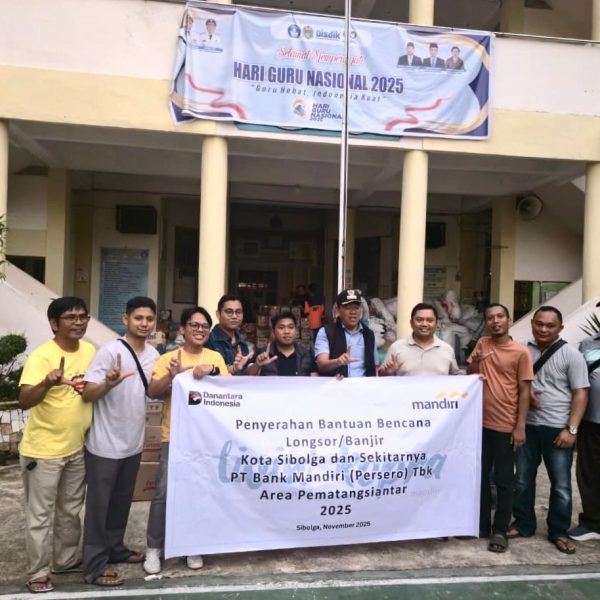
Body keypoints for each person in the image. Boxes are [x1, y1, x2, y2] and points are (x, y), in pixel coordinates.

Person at [18, 297, 96, 594]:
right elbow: (25, 400)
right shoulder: (42, 356)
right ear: (54, 323)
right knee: (40, 515)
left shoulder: (89, 351)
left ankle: (65, 560)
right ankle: (38, 572)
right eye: (70, 317)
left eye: (83, 316)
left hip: (76, 448)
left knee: (70, 510)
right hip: (43, 451)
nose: (79, 322)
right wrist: (47, 383)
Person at [143, 306, 229, 575]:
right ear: (183, 329)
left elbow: (229, 390)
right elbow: (153, 392)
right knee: (163, 493)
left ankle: (193, 544)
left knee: (199, 492)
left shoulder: (215, 356)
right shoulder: (167, 358)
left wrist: (213, 369)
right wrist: (174, 375)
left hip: (205, 438)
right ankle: (154, 548)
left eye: (204, 326)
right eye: (194, 325)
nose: (200, 330)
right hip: (173, 435)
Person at [81, 297, 160, 586]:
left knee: (121, 502)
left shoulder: (154, 354)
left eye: (149, 319)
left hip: (133, 442)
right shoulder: (108, 352)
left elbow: (153, 390)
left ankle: (115, 548)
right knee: (99, 507)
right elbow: (87, 393)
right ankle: (94, 566)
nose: (144, 324)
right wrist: (108, 383)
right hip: (104, 444)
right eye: (138, 318)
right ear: (126, 319)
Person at [508, 306, 588, 554]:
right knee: (522, 480)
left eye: (550, 325)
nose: (543, 329)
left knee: (561, 484)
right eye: (539, 324)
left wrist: (571, 430)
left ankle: (559, 531)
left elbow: (581, 393)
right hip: (526, 426)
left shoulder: (571, 355)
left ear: (560, 328)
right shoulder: (520, 348)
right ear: (532, 323)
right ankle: (523, 524)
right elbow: (508, 378)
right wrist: (527, 393)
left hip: (558, 429)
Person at [467, 303, 533, 553]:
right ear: (486, 322)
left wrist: (520, 426)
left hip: (505, 425)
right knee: (480, 476)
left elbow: (525, 391)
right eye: (490, 318)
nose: (495, 321)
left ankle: (500, 530)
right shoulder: (482, 344)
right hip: (478, 424)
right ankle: (482, 525)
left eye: (500, 317)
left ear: (509, 320)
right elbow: (470, 373)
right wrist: (476, 362)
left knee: (505, 480)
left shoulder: (521, 352)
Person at [567, 322, 600, 542]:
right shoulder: (587, 344)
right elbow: (578, 380)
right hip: (591, 421)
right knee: (589, 473)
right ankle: (592, 523)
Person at [379, 303, 462, 376]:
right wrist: (387, 373)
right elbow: (382, 375)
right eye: (419, 320)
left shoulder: (447, 349)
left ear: (436, 324)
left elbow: (456, 377)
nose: (424, 324)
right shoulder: (396, 347)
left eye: (429, 320)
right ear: (411, 323)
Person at [315, 289, 379, 377]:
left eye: (356, 307)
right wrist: (337, 362)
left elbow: (375, 366)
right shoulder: (326, 332)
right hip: (337, 383)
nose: (353, 312)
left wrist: (387, 371)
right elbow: (321, 365)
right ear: (337, 310)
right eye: (348, 308)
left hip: (363, 384)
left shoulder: (369, 334)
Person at [246, 311, 317, 376]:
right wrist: (257, 365)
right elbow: (247, 376)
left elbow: (315, 380)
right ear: (273, 332)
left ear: (296, 331)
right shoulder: (262, 353)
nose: (287, 331)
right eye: (281, 327)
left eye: (291, 327)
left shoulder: (306, 355)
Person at [206, 295, 252, 375]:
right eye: (229, 312)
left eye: (238, 312)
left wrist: (258, 365)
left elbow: (246, 373)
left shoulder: (242, 342)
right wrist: (232, 369)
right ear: (218, 314)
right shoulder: (208, 341)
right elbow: (208, 374)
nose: (234, 316)